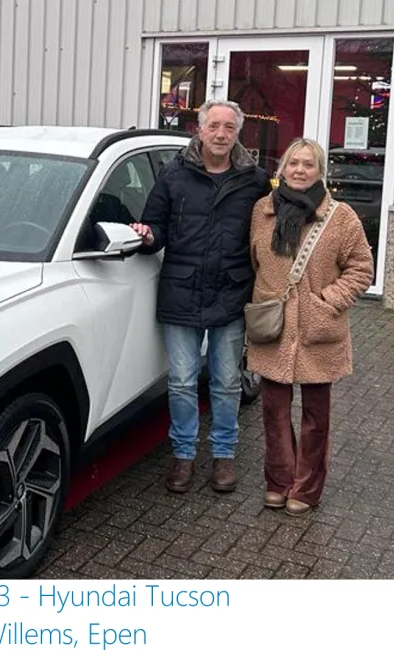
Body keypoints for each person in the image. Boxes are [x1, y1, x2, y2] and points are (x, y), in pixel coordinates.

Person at [132, 100, 272, 494]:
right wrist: (147, 236)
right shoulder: (173, 174)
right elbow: (155, 225)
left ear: (237, 132)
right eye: (214, 126)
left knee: (226, 382)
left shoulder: (254, 180)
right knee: (181, 381)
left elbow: (268, 233)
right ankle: (184, 455)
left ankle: (224, 455)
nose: (221, 134)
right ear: (200, 129)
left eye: (229, 127)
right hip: (181, 289)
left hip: (231, 291)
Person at [246, 137, 374, 516]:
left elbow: (361, 268)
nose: (300, 170)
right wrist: (266, 296)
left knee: (316, 418)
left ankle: (307, 488)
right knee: (273, 411)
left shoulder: (340, 217)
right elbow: (254, 260)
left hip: (318, 329)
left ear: (320, 171)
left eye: (308, 164)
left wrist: (327, 302)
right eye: (293, 163)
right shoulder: (262, 211)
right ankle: (279, 481)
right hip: (275, 327)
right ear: (282, 168)